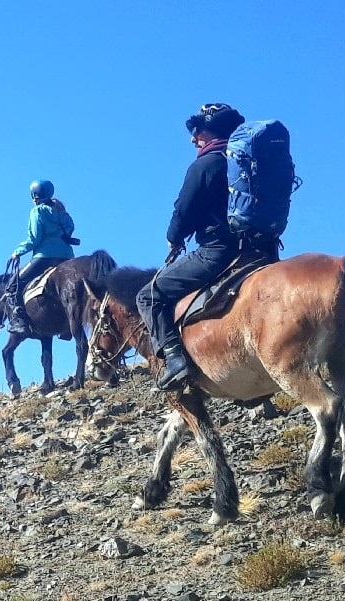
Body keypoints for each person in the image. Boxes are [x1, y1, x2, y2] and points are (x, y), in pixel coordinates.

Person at [136, 103, 246, 390]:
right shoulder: (245, 162)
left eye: (197, 130)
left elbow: (184, 210)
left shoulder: (205, 165)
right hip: (258, 249)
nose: (192, 137)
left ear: (210, 132)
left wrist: (174, 237)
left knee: (148, 295)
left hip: (217, 251)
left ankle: (174, 360)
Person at [6, 179, 77, 335]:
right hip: (67, 257)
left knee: (12, 286)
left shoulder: (36, 211)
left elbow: (34, 238)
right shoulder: (60, 210)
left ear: (34, 194)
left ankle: (20, 322)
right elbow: (70, 227)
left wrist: (17, 252)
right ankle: (67, 328)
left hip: (45, 257)